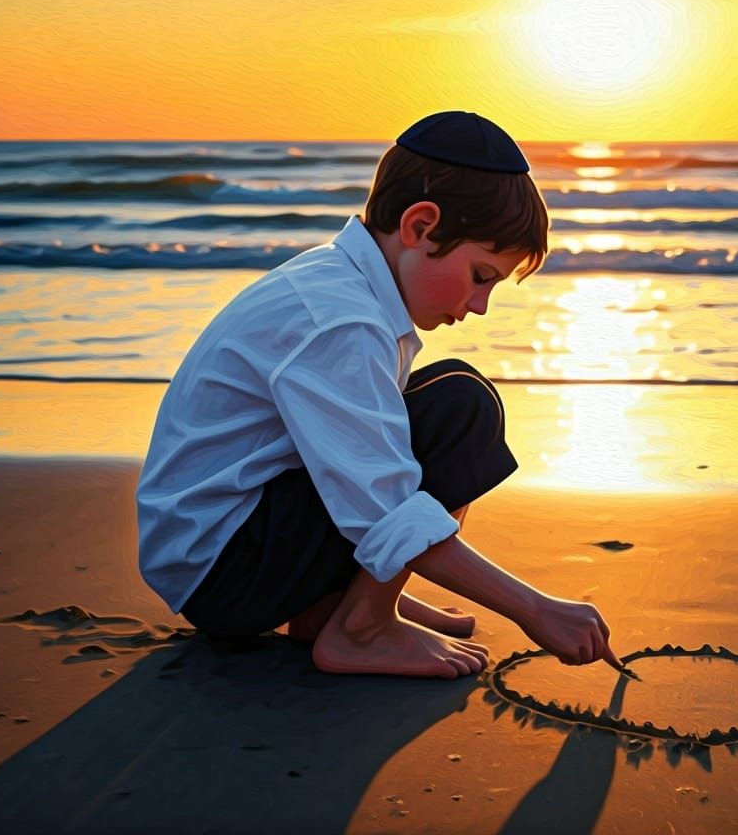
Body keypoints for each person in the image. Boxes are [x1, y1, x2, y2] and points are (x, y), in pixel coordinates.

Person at [136, 110, 622, 680]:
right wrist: (535, 610)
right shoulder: (340, 321)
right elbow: (384, 506)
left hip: (230, 549)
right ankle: (362, 628)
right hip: (226, 573)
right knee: (461, 410)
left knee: (444, 398)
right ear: (420, 226)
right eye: (481, 275)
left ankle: (347, 606)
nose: (480, 306)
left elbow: (356, 464)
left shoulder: (342, 283)